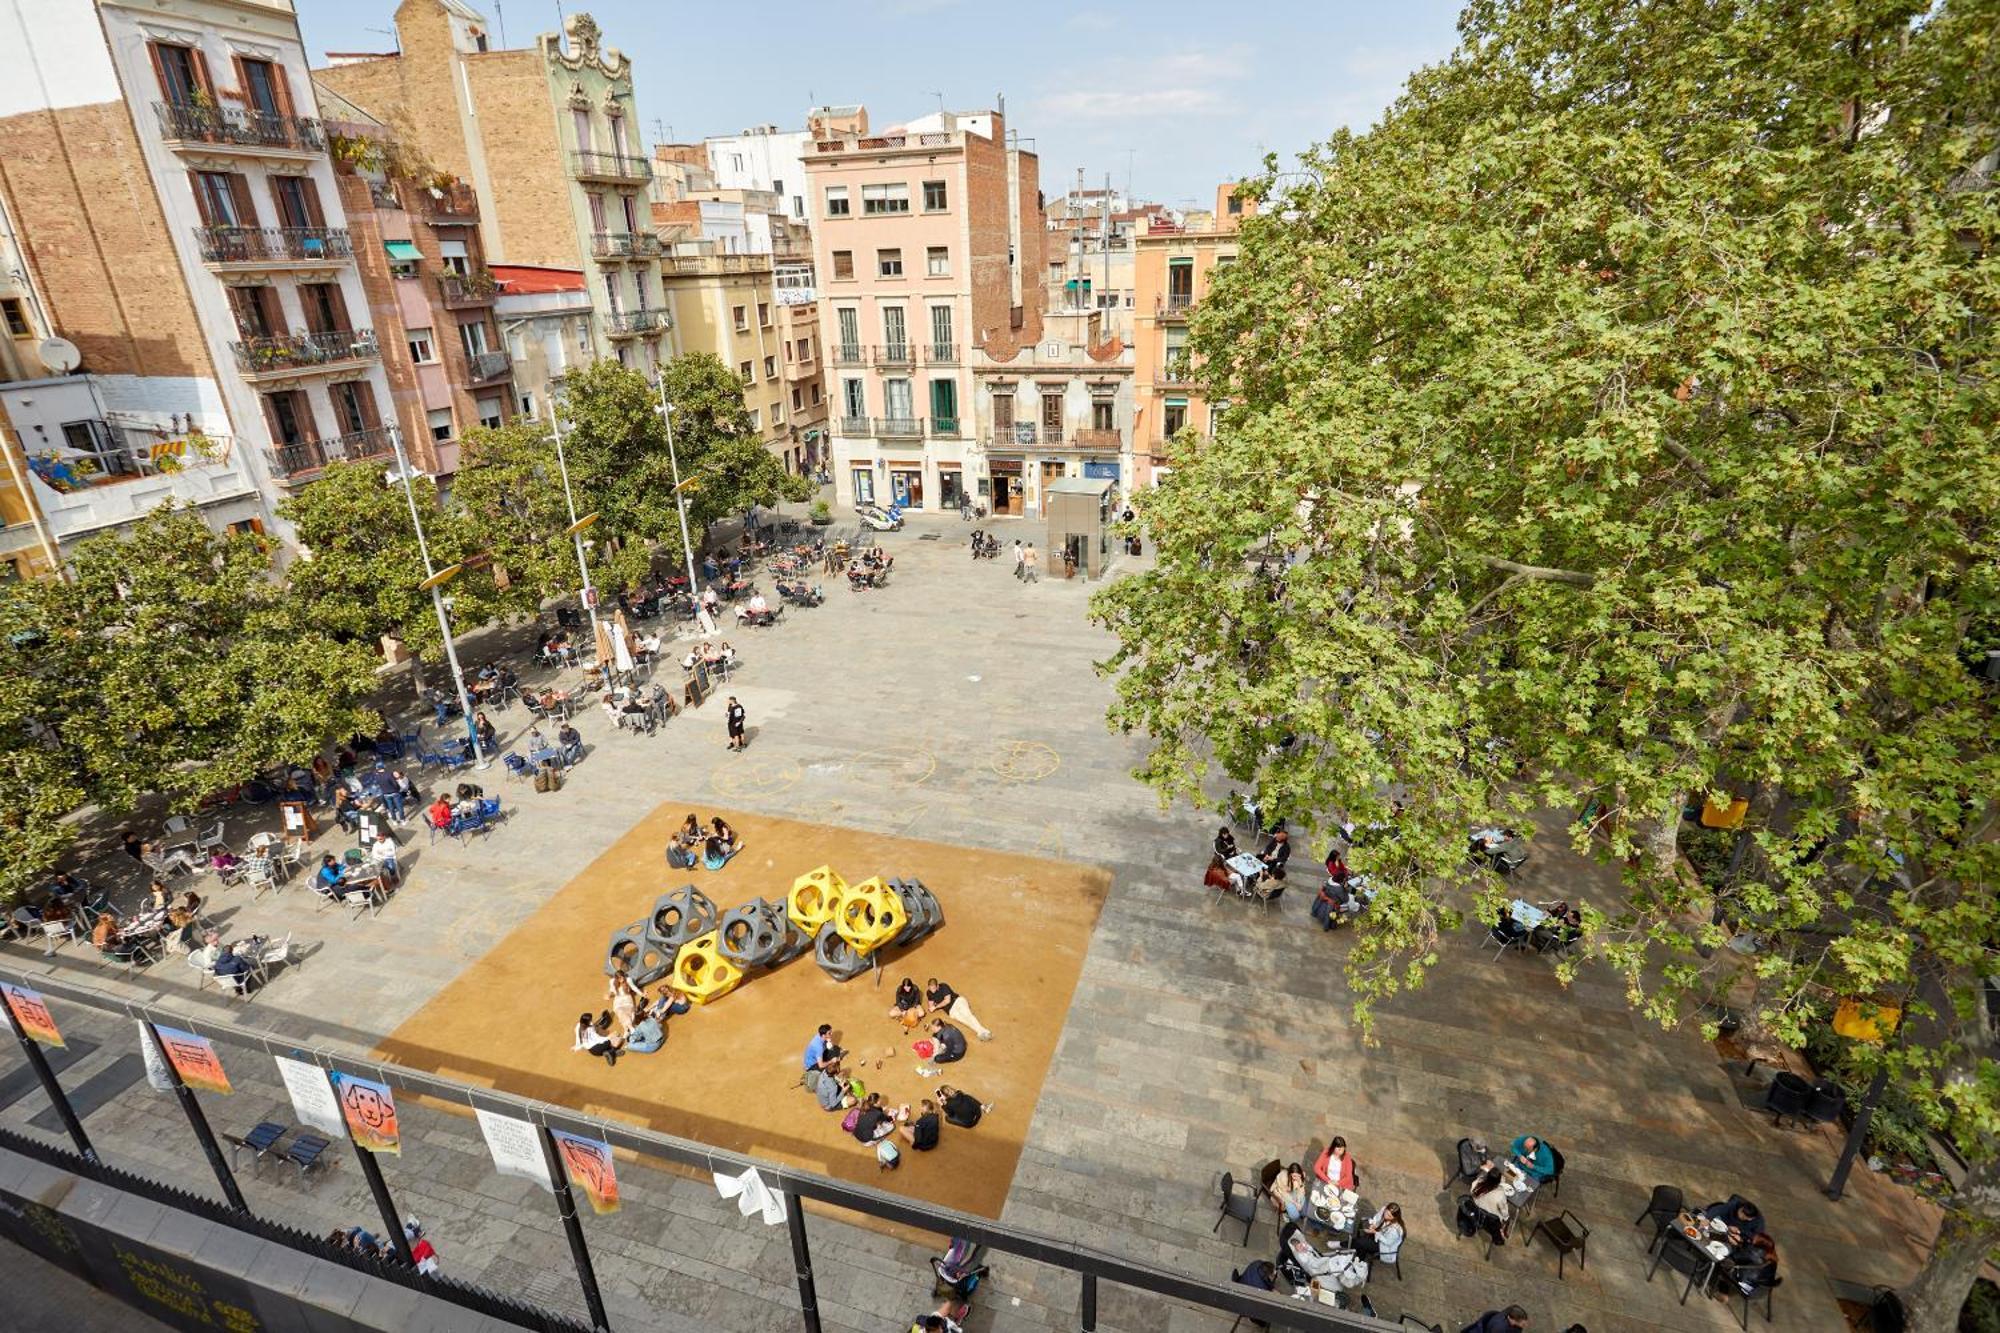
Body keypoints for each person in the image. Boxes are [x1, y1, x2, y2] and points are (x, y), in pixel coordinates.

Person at [923, 977, 992, 1041]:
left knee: (968, 1015)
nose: (932, 990)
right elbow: (931, 1005)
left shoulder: (943, 986)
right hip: (951, 1011)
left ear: (937, 986)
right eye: (930, 988)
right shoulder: (929, 992)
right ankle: (981, 1032)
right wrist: (931, 1007)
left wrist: (936, 1006)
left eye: (934, 988)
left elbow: (947, 1001)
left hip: (958, 1001)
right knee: (964, 1020)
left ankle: (984, 1032)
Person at [608, 970, 644, 1036]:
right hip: (618, 1001)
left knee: (627, 1015)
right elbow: (611, 991)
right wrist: (609, 995)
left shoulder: (628, 980)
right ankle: (630, 1028)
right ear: (616, 978)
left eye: (622, 977)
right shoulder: (612, 982)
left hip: (627, 1000)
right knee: (620, 1012)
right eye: (619, 978)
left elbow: (634, 988)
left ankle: (626, 1030)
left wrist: (642, 994)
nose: (622, 979)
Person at [1465, 1307, 1530, 1333]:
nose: (1525, 1325)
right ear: (1512, 1320)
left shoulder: (1511, 1312)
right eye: (1523, 1324)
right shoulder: (1499, 1329)